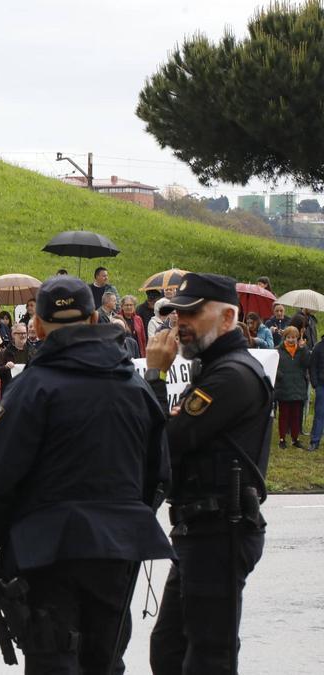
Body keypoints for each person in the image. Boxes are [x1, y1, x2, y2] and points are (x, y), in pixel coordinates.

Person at [0, 274, 172, 673]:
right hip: (117, 550)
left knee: (54, 660)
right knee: (105, 661)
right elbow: (159, 475)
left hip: (48, 552)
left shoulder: (31, 389)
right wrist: (126, 521)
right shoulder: (135, 387)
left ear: (40, 325)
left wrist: (14, 539)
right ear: (96, 318)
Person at [144, 273, 274, 674]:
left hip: (220, 528)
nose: (181, 322)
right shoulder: (213, 369)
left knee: (208, 656)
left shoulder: (231, 375)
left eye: (193, 312)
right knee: (169, 650)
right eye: (177, 313)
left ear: (228, 317)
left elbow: (166, 442)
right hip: (198, 528)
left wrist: (154, 376)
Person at [274, 325, 310, 449]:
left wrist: (304, 349)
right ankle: (282, 439)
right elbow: (274, 366)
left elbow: (307, 364)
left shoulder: (301, 350)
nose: (291, 339)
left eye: (294, 337)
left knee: (296, 415)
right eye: (289, 337)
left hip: (298, 387)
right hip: (283, 387)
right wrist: (280, 376)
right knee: (284, 415)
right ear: (285, 337)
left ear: (297, 337)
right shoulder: (278, 350)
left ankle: (295, 439)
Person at [0, 322, 33, 396]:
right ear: (13, 335)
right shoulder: (6, 352)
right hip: (11, 392)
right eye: (20, 333)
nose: (23, 335)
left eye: (25, 333)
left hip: (28, 391)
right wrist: (5, 367)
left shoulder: (32, 351)